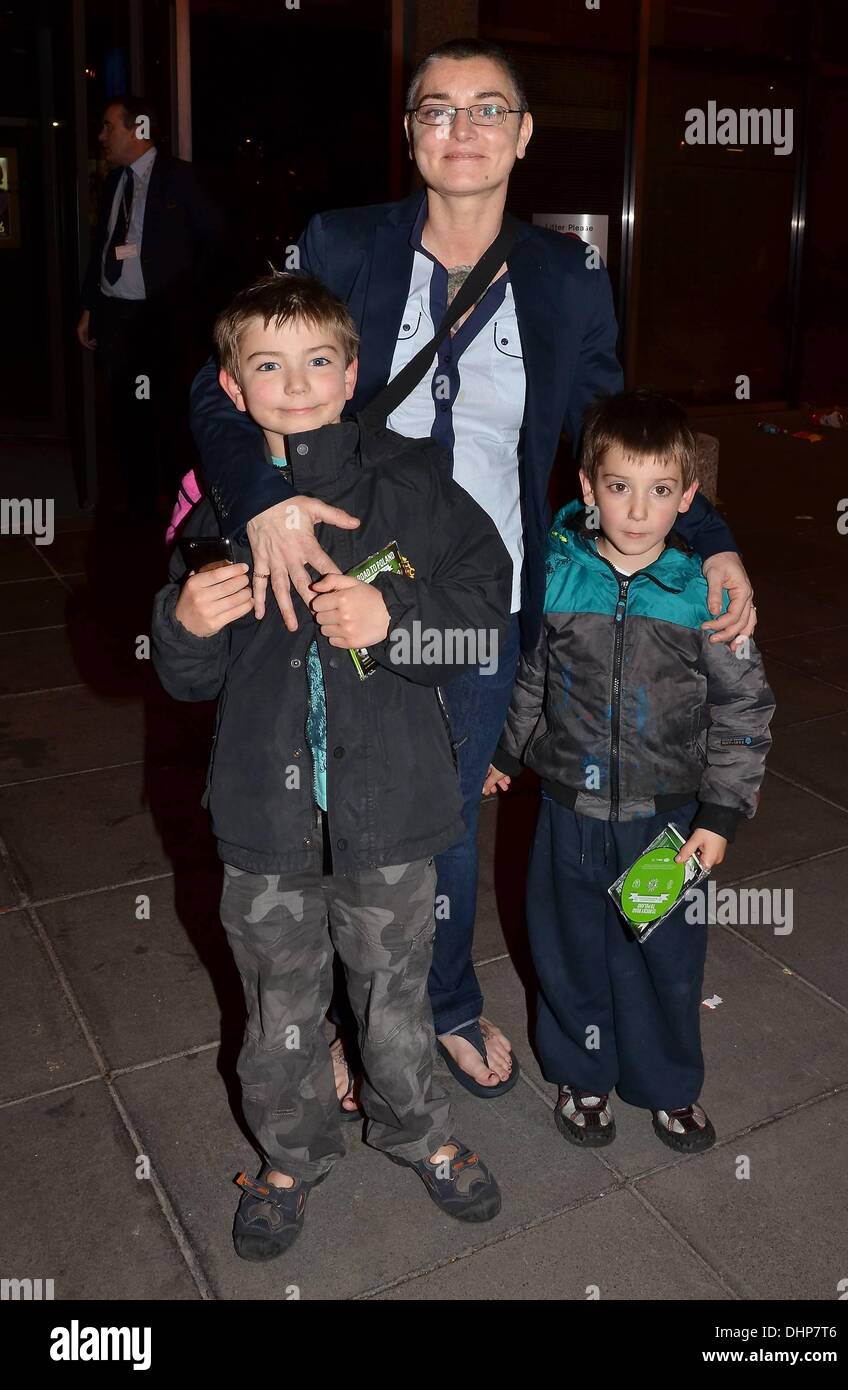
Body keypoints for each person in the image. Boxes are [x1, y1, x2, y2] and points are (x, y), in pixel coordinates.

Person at [186, 38, 757, 1104]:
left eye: (486, 109)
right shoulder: (341, 242)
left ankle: (436, 1000)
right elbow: (221, 389)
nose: (460, 129)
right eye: (436, 109)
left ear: (523, 134)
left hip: (476, 604)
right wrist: (262, 501)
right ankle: (343, 1024)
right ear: (409, 133)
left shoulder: (564, 275)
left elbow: (609, 431)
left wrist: (705, 533)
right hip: (336, 585)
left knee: (439, 817)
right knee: (323, 808)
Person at [151, 271, 512, 1259]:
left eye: (318, 360)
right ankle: (289, 1156)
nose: (296, 382)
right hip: (264, 829)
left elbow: (482, 616)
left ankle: (419, 1133)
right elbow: (186, 679)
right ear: (232, 388)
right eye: (267, 365)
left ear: (351, 371)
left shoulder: (406, 485)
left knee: (396, 998)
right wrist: (181, 623)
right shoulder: (214, 510)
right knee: (279, 1015)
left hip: (389, 813)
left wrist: (395, 621)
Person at [484, 390, 775, 1151]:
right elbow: (531, 678)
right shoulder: (556, 577)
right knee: (567, 951)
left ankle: (667, 1087)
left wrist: (719, 817)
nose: (637, 510)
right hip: (565, 813)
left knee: (665, 961)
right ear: (588, 488)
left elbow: (744, 711)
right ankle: (582, 1078)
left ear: (686, 498)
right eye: (618, 487)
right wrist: (507, 754)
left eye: (657, 492)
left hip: (665, 822)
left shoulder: (705, 594)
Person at [77, 94, 226, 520]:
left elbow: (215, 240)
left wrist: (188, 300)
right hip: (117, 317)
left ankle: (176, 506)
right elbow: (102, 248)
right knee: (124, 413)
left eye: (109, 126)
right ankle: (136, 505)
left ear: (136, 128)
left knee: (166, 412)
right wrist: (90, 307)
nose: (102, 136)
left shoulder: (178, 178)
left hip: (160, 319)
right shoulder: (113, 183)